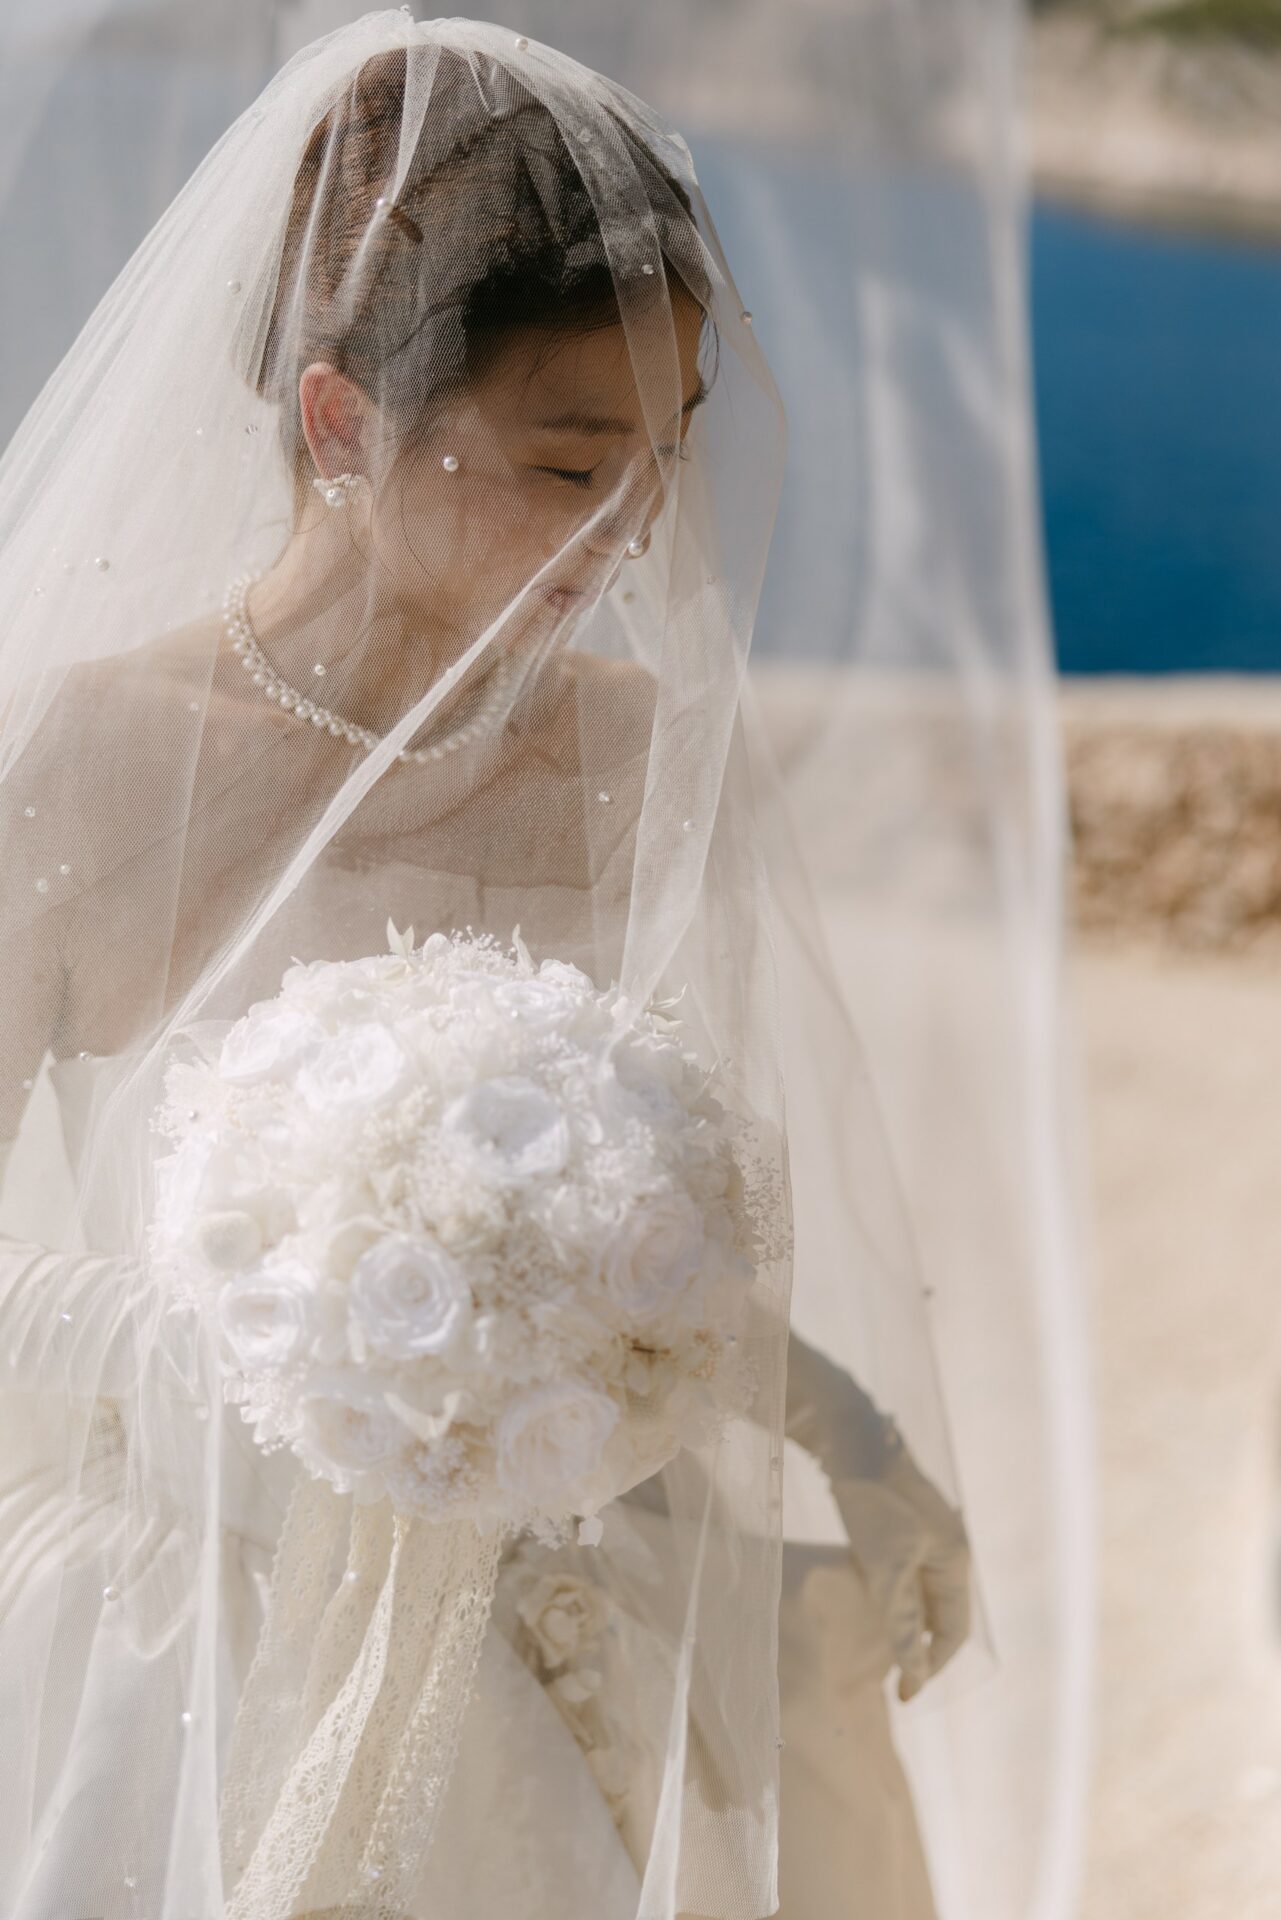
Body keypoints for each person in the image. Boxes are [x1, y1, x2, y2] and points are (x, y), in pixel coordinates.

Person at [0, 15, 969, 1917]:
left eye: (666, 453)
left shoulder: (629, 756)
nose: (638, 524)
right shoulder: (89, 765)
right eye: (567, 459)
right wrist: (243, 1374)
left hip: (568, 1624)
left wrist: (839, 1427)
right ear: (338, 424)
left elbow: (612, 1244)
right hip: (178, 1637)